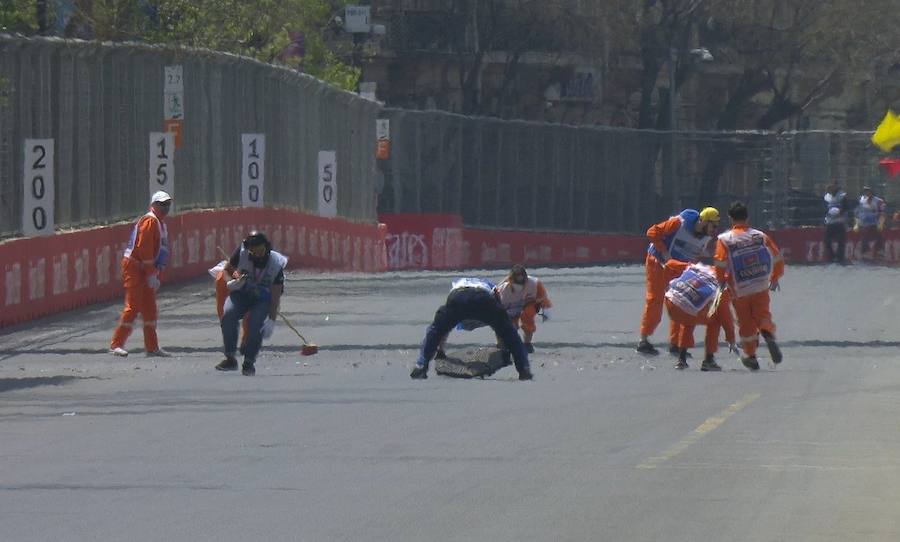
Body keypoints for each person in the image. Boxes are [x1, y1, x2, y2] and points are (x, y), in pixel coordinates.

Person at [410, 278, 533, 381]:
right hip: (483, 299)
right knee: (509, 333)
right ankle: (524, 369)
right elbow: (500, 326)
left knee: (436, 329)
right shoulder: (490, 285)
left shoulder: (457, 283)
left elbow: (443, 330)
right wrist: (503, 349)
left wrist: (440, 352)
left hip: (458, 298)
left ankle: (421, 366)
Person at [636, 207, 721, 356]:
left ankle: (676, 344)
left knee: (680, 303)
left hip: (676, 268)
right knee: (655, 299)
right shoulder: (679, 222)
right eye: (713, 226)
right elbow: (652, 232)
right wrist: (664, 253)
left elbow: (694, 256)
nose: (714, 230)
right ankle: (644, 340)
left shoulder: (706, 238)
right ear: (703, 221)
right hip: (657, 262)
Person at [714, 201, 784, 371]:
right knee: (762, 315)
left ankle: (751, 356)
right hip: (760, 283)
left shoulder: (724, 239)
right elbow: (777, 257)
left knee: (746, 324)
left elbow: (720, 263)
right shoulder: (760, 236)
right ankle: (767, 331)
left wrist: (721, 281)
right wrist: (775, 277)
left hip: (739, 288)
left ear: (730, 218)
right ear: (748, 217)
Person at [109, 191, 173, 357]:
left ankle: (152, 347)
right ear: (153, 205)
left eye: (167, 204)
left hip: (145, 268)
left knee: (150, 308)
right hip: (135, 268)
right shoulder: (150, 222)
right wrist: (151, 273)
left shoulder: (159, 223)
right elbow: (143, 248)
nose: (165, 208)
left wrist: (154, 273)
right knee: (133, 306)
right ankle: (116, 344)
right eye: (161, 204)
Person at [214, 231, 287, 376]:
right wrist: (232, 281)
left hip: (262, 299)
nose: (257, 255)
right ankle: (230, 358)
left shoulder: (275, 265)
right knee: (228, 314)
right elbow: (227, 270)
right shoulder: (241, 253)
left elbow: (275, 297)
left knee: (255, 323)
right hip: (241, 293)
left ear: (267, 248)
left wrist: (272, 320)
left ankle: (249, 361)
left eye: (260, 251)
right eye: (253, 252)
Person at [663, 259, 736, 371]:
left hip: (670, 303)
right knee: (716, 320)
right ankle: (708, 359)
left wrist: (666, 283)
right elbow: (726, 319)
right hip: (686, 310)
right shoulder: (723, 289)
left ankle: (681, 359)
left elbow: (669, 264)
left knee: (691, 312)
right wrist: (731, 339)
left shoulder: (699, 267)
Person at [494, 264, 552, 353]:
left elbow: (543, 298)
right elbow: (498, 309)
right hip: (510, 307)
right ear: (510, 280)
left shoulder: (535, 284)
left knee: (527, 315)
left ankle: (527, 344)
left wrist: (546, 311)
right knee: (505, 322)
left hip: (528, 304)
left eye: (522, 281)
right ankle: (503, 344)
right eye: (516, 282)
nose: (519, 284)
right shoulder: (502, 290)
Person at [855, 185, 886, 262]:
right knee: (864, 237)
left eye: (868, 190)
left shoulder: (878, 201)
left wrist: (881, 224)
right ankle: (865, 253)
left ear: (871, 191)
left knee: (879, 236)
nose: (866, 192)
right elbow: (858, 212)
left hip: (874, 222)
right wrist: (856, 224)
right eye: (865, 191)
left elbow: (882, 213)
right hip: (864, 222)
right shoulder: (861, 200)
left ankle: (880, 252)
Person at [823, 183, 850, 264]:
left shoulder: (842, 196)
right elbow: (824, 208)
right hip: (830, 222)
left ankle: (840, 258)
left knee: (841, 241)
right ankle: (832, 256)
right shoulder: (827, 197)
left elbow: (846, 207)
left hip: (840, 222)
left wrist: (839, 212)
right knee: (826, 240)